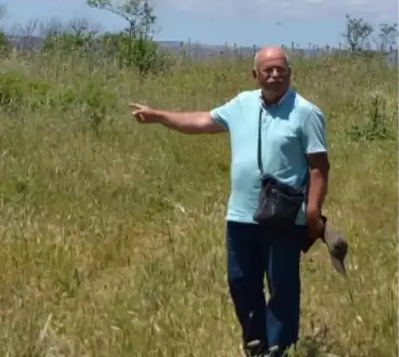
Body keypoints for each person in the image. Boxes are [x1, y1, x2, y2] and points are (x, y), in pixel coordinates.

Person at [130, 46, 330, 357]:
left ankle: (279, 350)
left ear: (290, 73)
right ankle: (256, 348)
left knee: (282, 289)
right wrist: (159, 116)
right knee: (241, 284)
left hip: (284, 217)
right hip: (240, 217)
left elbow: (318, 167)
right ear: (256, 75)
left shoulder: (306, 112)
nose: (275, 74)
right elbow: (200, 121)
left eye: (281, 69)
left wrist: (314, 213)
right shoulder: (242, 104)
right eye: (268, 70)